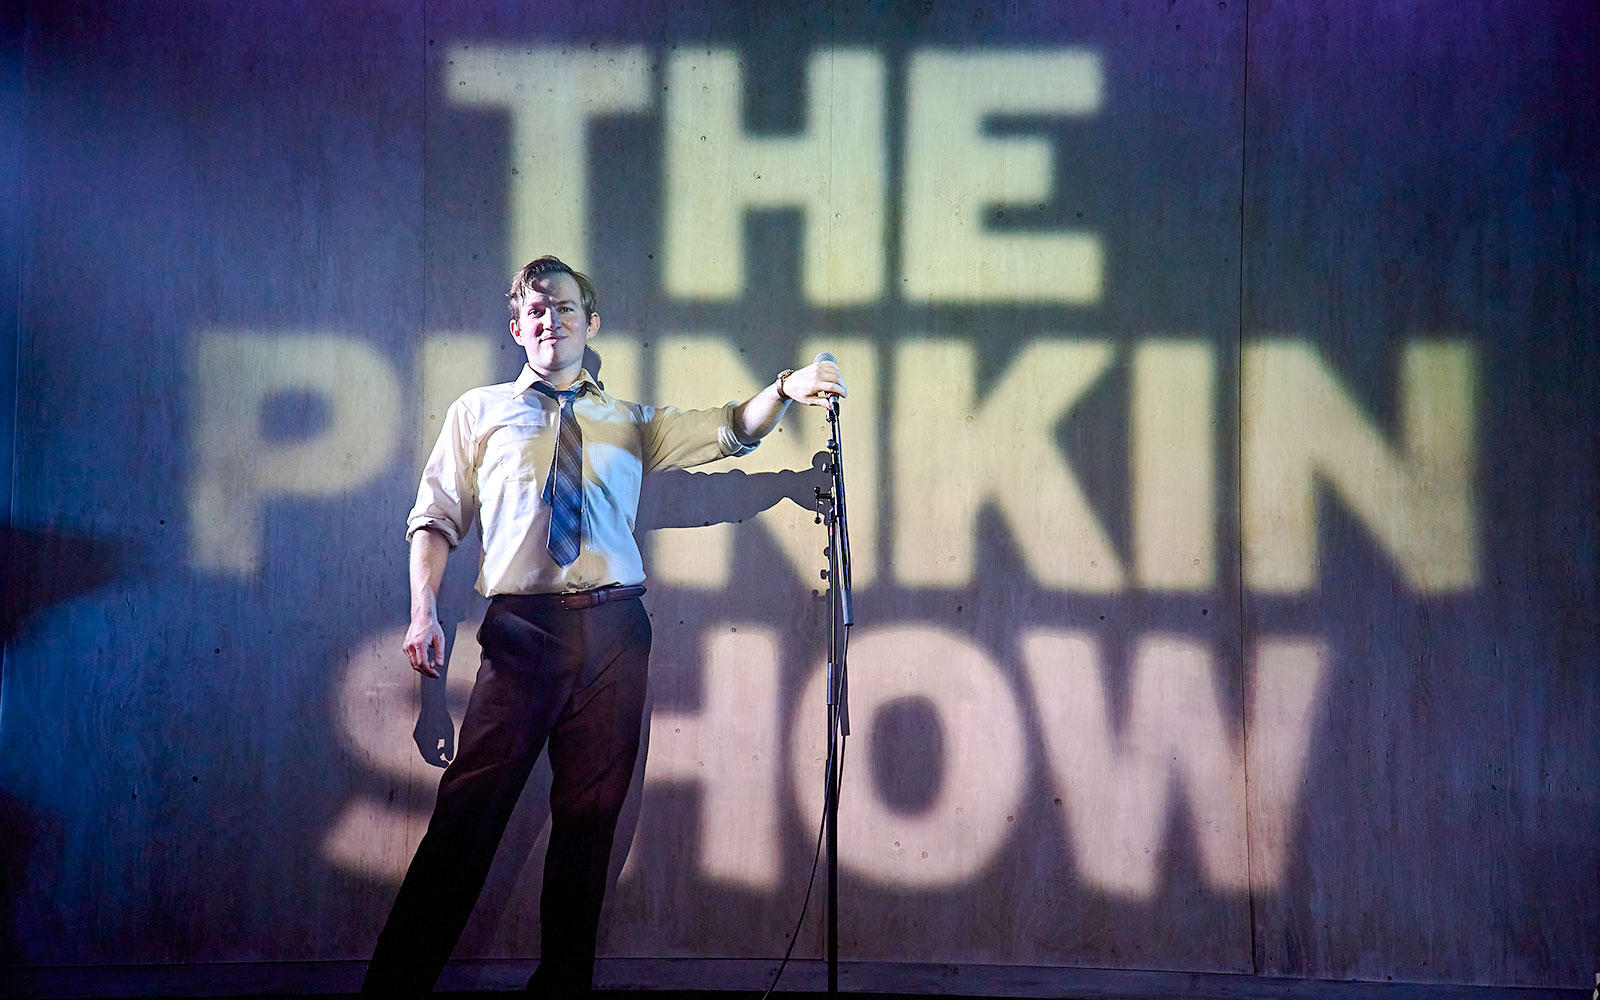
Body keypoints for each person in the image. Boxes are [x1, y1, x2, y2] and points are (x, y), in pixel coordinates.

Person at [362, 255, 844, 996]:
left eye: (563, 307)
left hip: (615, 633)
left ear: (590, 324)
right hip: (522, 632)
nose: (548, 319)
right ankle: (390, 994)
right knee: (467, 820)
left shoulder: (629, 422)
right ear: (517, 329)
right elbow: (435, 519)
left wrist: (784, 389)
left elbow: (727, 432)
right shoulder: (478, 412)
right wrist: (423, 611)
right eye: (534, 309)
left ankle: (562, 992)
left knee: (589, 828)